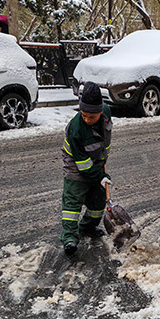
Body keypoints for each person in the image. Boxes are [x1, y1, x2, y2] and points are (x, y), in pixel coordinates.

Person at [60, 82, 112, 256]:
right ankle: (69, 238)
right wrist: (100, 176)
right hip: (75, 165)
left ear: (100, 112)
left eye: (92, 116)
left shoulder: (106, 113)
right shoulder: (76, 129)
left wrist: (101, 171)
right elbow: (83, 165)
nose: (87, 119)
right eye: (84, 115)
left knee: (97, 203)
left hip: (95, 163)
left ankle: (87, 228)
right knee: (72, 205)